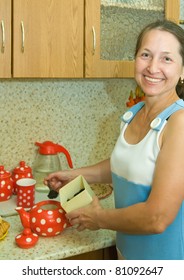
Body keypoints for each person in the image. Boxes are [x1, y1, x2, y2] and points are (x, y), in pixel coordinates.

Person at [44, 20, 184, 260]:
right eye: (146, 54)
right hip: (127, 253)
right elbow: (125, 165)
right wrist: (75, 174)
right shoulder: (133, 114)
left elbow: (157, 218)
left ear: (182, 71)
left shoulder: (179, 123)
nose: (152, 67)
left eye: (166, 59)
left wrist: (99, 218)